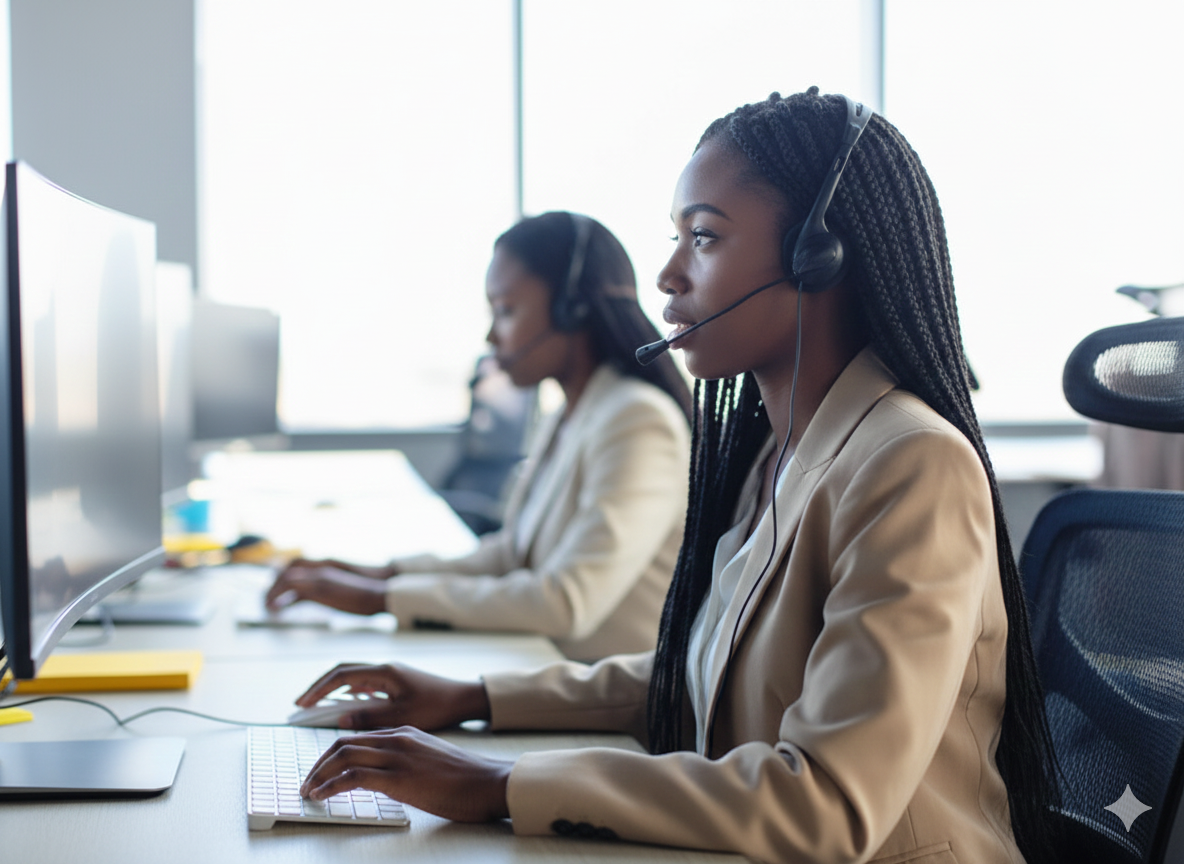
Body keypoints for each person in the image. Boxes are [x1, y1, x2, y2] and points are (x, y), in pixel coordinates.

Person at [287, 90, 1059, 864]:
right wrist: (474, 699)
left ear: (814, 256)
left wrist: (502, 784)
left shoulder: (911, 465)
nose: (666, 274)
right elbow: (698, 672)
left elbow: (824, 804)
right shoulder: (778, 454)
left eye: (704, 238)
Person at [265, 212, 692, 662]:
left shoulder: (638, 422)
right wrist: (380, 575)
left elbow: (565, 601)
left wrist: (378, 601)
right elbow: (510, 555)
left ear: (571, 308)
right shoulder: (573, 412)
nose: (491, 335)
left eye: (506, 310)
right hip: (538, 667)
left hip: (600, 706)